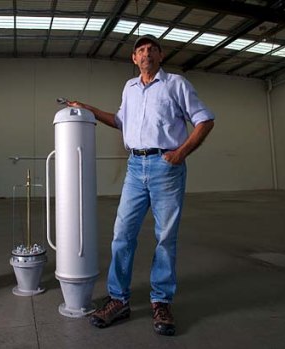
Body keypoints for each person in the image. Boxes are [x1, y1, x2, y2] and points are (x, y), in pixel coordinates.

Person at [67, 34, 215, 336]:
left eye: (151, 49)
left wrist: (180, 153)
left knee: (165, 237)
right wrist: (88, 109)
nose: (146, 53)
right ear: (134, 59)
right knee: (122, 234)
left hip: (166, 167)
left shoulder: (176, 84)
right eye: (140, 50)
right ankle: (118, 300)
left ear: (160, 55)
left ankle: (161, 301)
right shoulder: (130, 88)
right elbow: (121, 120)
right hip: (135, 167)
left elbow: (205, 120)